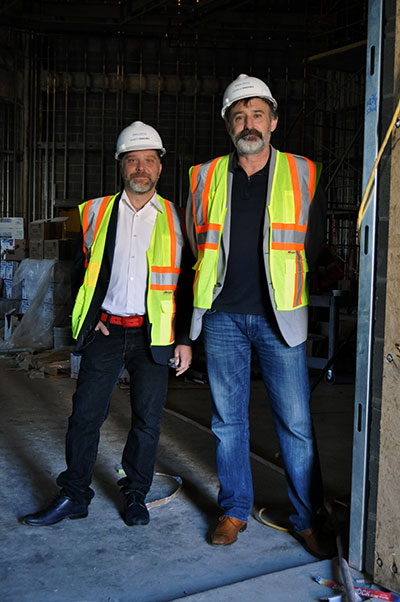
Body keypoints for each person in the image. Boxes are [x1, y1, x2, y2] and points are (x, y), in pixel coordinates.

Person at [186, 74, 335, 559]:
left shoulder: (301, 171)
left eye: (256, 114)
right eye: (238, 116)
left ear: (273, 120)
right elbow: (196, 241)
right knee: (228, 421)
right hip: (224, 316)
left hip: (281, 317)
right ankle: (233, 510)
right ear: (228, 124)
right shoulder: (204, 176)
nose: (248, 124)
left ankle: (307, 518)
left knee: (295, 422)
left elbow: (312, 243)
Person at [21, 121, 192, 528]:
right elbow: (83, 271)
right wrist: (92, 317)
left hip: (154, 334)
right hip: (107, 330)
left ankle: (135, 494)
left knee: (147, 421)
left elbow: (186, 284)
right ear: (121, 166)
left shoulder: (176, 217)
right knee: (84, 416)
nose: (140, 169)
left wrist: (184, 339)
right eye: (132, 161)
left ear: (159, 168)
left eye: (148, 161)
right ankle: (74, 495)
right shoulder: (96, 211)